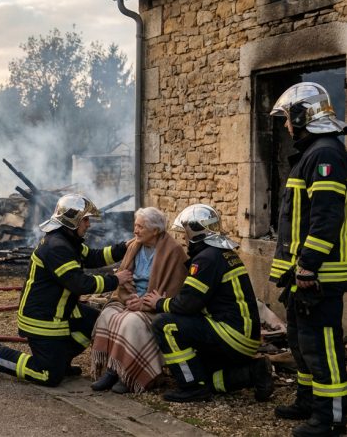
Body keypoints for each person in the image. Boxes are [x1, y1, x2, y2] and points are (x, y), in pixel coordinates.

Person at [0, 194, 132, 387]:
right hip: (42, 319)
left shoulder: (67, 241)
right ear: (72, 221)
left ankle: (60, 360)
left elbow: (93, 257)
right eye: (85, 219)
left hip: (59, 311)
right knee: (48, 375)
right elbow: (80, 284)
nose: (89, 224)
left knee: (93, 322)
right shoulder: (57, 247)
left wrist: (123, 248)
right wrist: (115, 280)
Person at [267, 82, 347, 437]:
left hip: (320, 274)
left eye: (287, 118)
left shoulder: (325, 154)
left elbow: (326, 217)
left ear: (303, 116)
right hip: (304, 274)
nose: (286, 125)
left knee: (323, 345)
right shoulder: (312, 153)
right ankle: (307, 401)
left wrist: (308, 265)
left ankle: (331, 417)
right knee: (301, 342)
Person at [142, 203, 273, 403]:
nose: (184, 239)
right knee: (205, 374)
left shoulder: (206, 259)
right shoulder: (222, 253)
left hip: (231, 334)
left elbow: (187, 304)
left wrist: (160, 303)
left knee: (164, 324)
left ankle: (191, 387)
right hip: (244, 336)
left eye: (185, 233)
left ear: (196, 233)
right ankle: (254, 372)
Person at [90, 207, 188, 394]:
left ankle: (129, 375)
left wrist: (144, 302)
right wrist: (130, 297)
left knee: (130, 321)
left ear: (156, 230)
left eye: (141, 227)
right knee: (107, 315)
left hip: (154, 305)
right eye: (135, 225)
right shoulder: (135, 245)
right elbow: (124, 277)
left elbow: (174, 290)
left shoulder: (173, 251)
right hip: (131, 297)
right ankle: (112, 370)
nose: (135, 230)